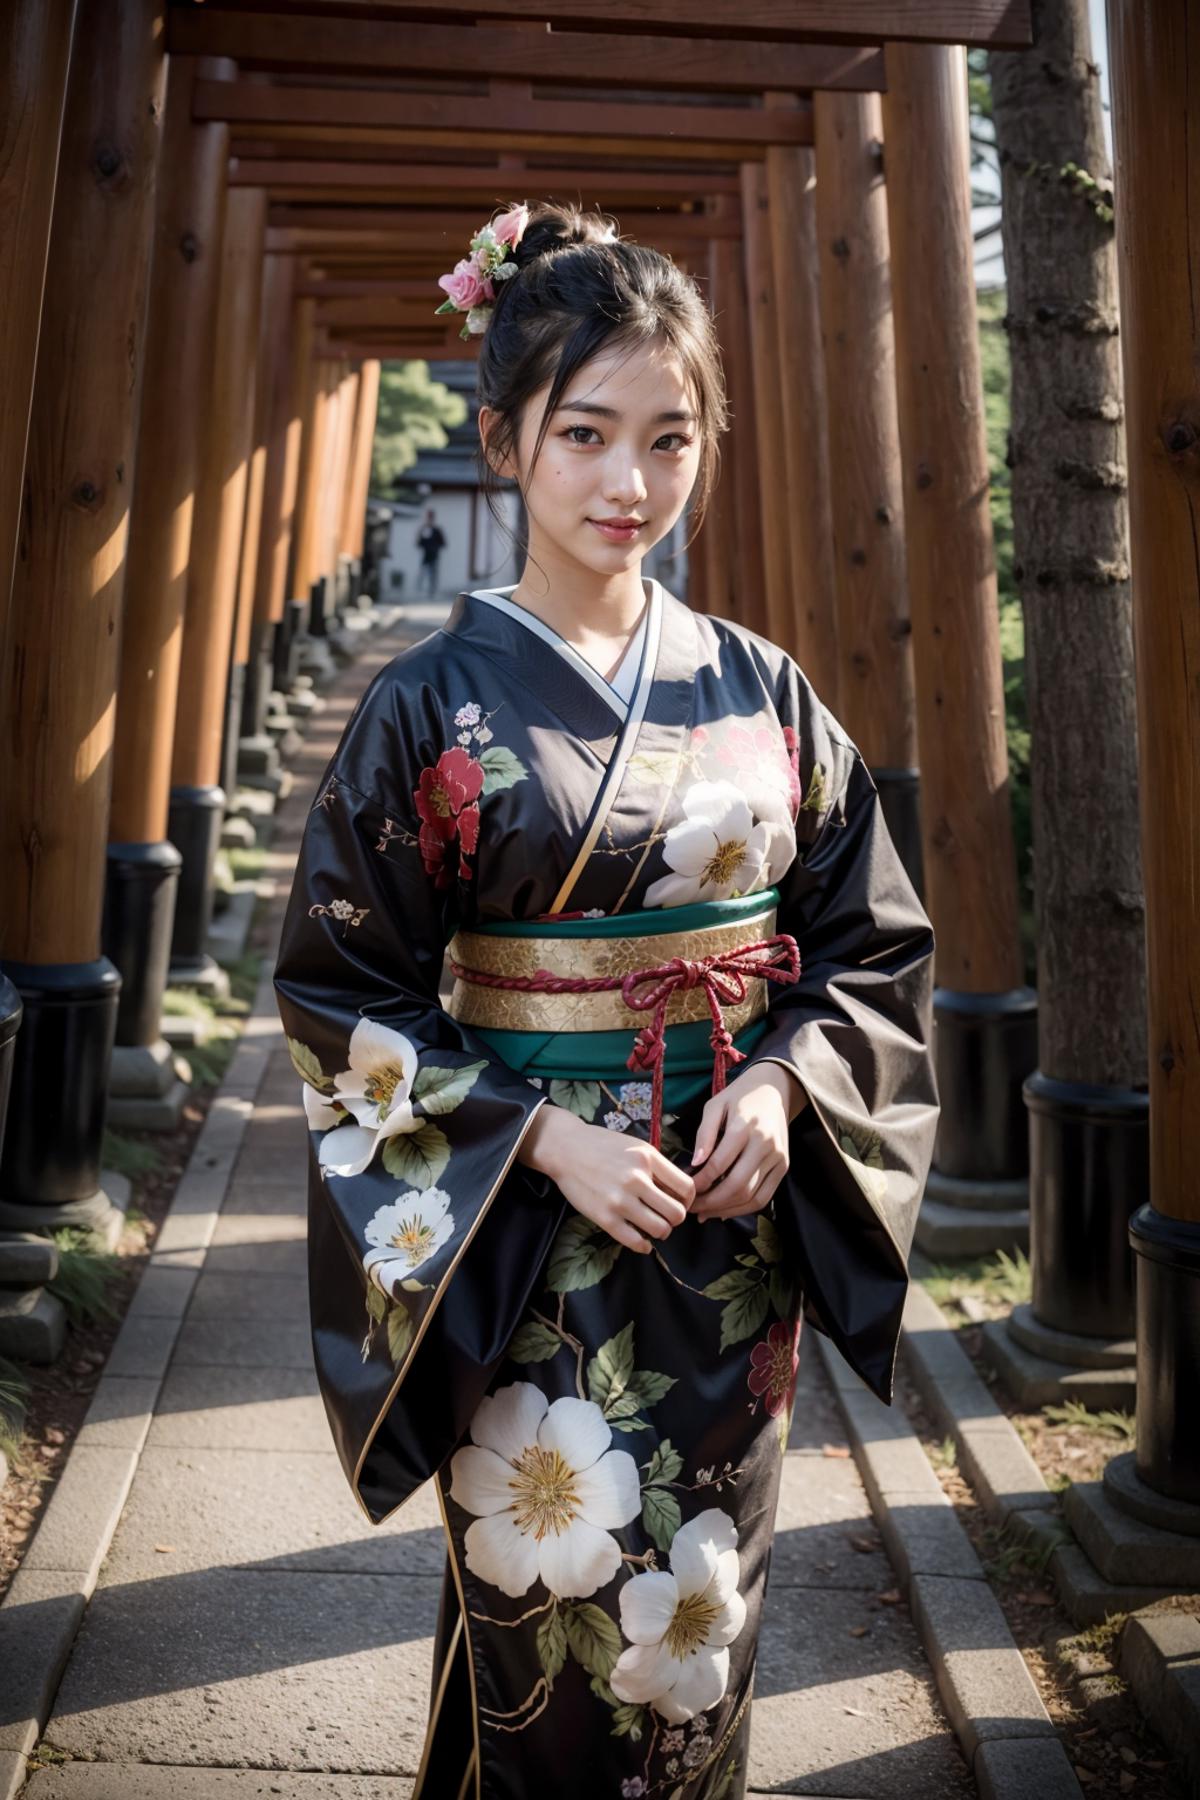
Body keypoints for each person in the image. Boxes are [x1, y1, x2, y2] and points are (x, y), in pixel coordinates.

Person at [273, 200, 938, 1800]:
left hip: (726, 1232)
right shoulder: (427, 705)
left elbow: (870, 942)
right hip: (528, 1247)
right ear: (506, 439)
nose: (628, 484)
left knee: (696, 1619)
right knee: (548, 1599)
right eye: (583, 434)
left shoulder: (767, 691)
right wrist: (540, 1143)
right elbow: (342, 990)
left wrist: (783, 1086)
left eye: (667, 437)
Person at [416, 506, 447, 597]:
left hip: (434, 555)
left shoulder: (437, 530)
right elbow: (419, 543)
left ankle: (432, 591)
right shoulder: (424, 529)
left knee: (433, 575)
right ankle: (420, 591)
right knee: (422, 573)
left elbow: (443, 543)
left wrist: (434, 547)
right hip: (426, 555)